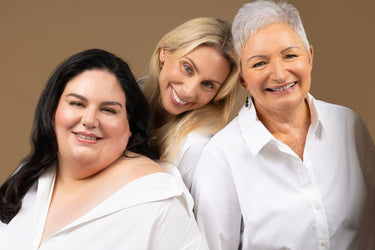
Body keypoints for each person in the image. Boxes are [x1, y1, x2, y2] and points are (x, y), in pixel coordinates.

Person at [192, 1, 375, 249]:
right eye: (259, 63)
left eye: (290, 55)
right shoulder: (222, 156)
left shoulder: (349, 126)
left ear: (309, 57)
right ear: (243, 78)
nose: (279, 74)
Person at [0, 49, 207, 249]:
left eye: (108, 110)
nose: (89, 120)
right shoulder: (27, 177)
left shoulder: (160, 201)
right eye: (77, 104)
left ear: (130, 126)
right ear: (52, 110)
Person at [141, 17, 239, 191]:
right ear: (165, 53)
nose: (189, 91)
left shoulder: (196, 146)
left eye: (208, 85)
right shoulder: (123, 97)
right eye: (187, 68)